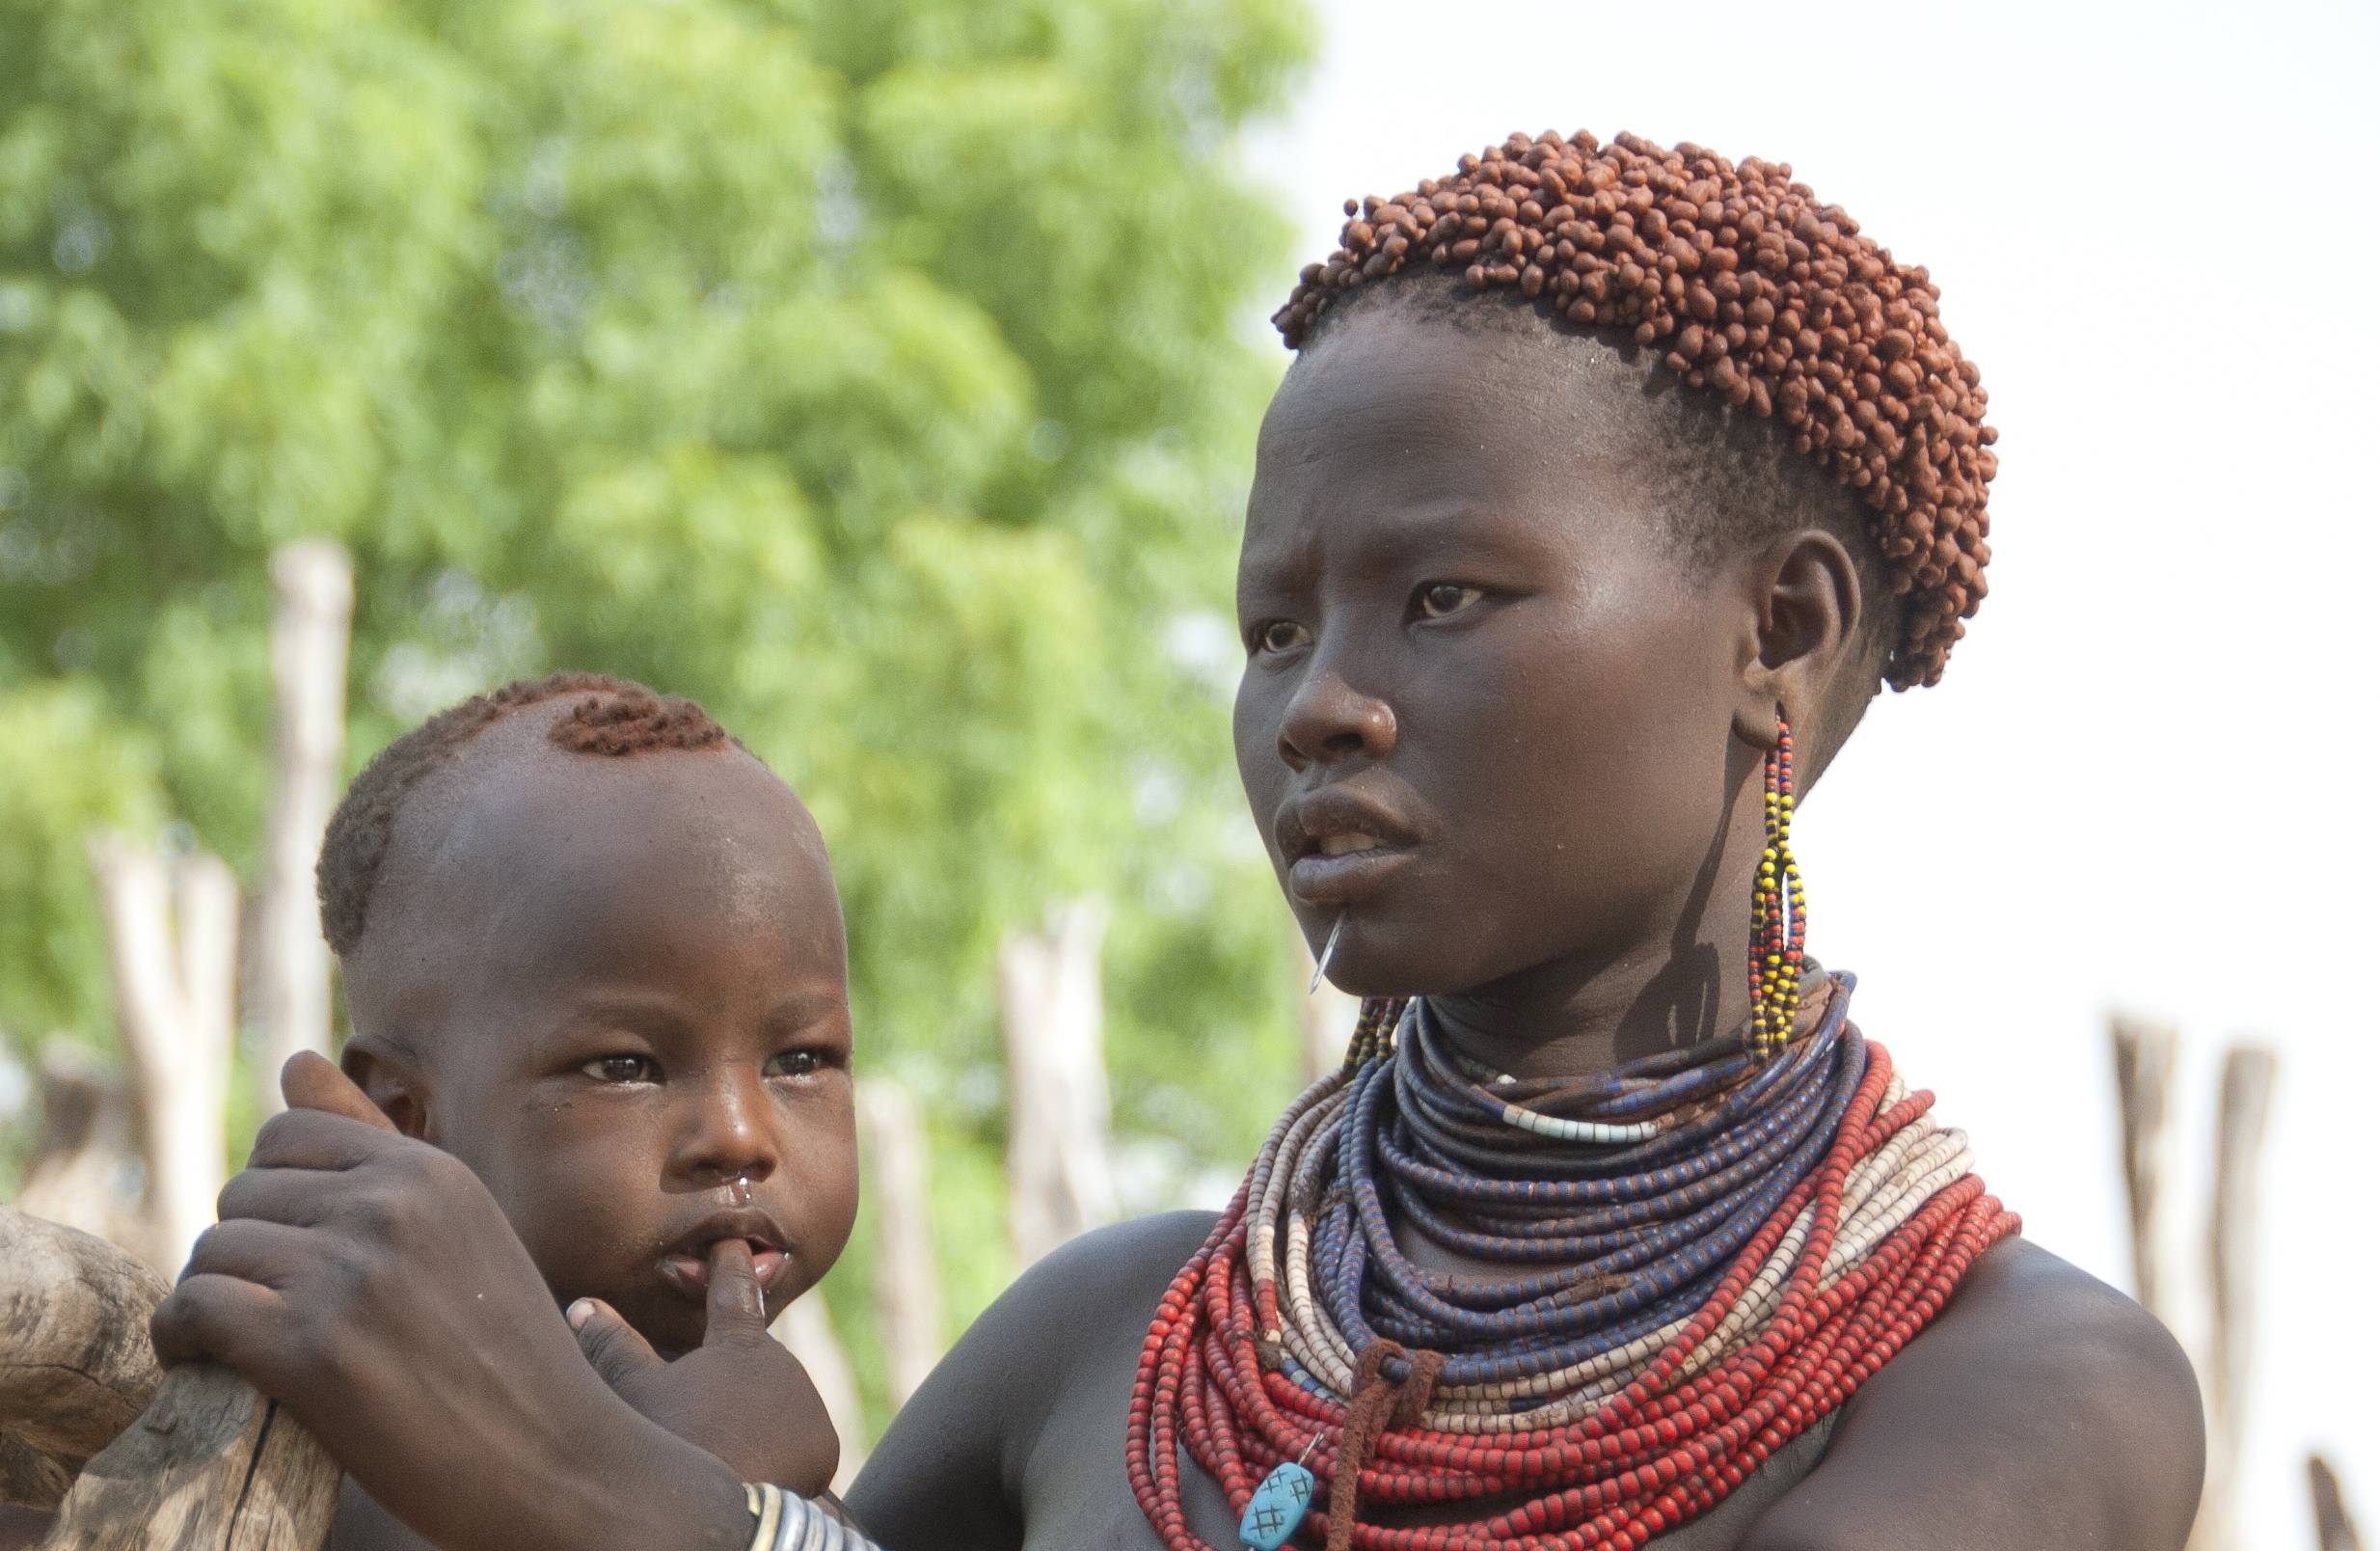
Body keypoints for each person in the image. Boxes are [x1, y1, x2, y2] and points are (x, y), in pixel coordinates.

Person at [151, 133, 2204, 1551]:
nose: (1317, 701)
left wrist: (622, 1506)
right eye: (1273, 628)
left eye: (1446, 600)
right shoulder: (1118, 1336)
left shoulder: (2016, 1393)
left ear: (1782, 632)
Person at [205, 673, 858, 1549]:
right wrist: (703, 1481)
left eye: (802, 1059)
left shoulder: (808, 1473)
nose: (739, 1135)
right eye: (626, 1065)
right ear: (401, 1116)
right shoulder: (345, 1471)